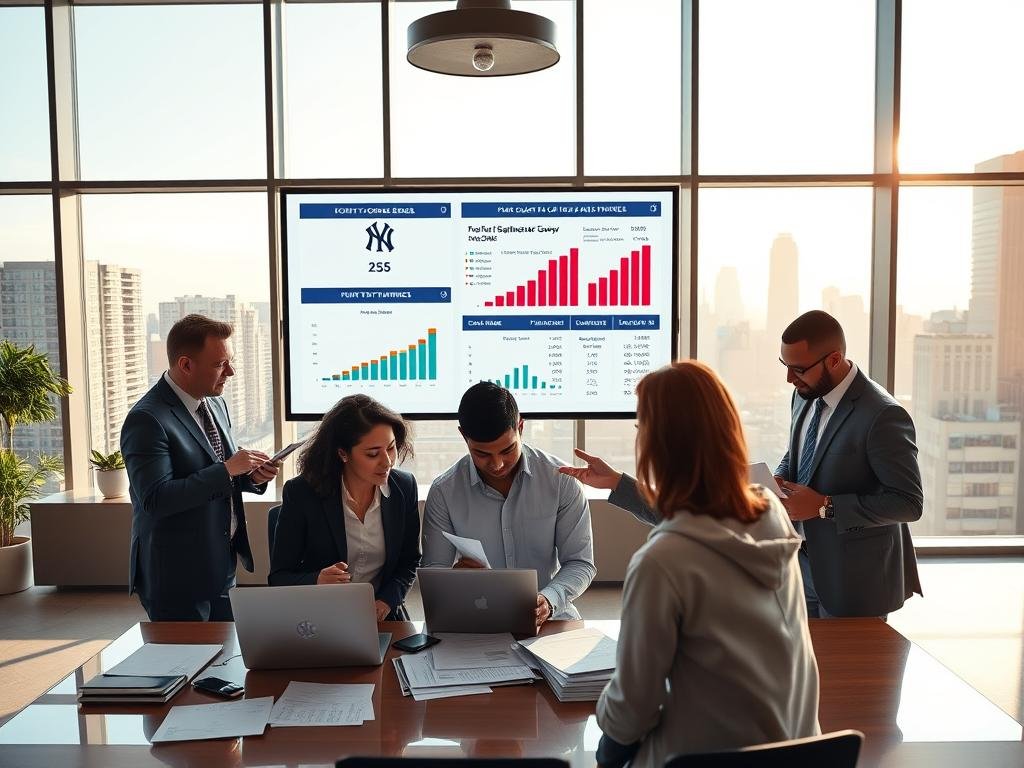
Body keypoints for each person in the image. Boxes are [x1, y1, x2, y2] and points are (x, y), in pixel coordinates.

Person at [595, 361, 820, 768]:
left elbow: (632, 709)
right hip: (798, 752)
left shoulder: (661, 562)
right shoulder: (770, 512)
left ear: (657, 445)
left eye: (639, 427)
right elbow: (697, 514)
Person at [122, 314, 278, 621]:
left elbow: (220, 471)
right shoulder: (147, 420)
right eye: (220, 364)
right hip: (175, 576)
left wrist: (252, 477)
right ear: (186, 365)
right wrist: (227, 470)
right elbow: (156, 499)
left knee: (226, 660)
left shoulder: (215, 403)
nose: (230, 372)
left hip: (221, 563)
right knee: (185, 663)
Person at [774, 310, 923, 618]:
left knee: (851, 667)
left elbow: (908, 504)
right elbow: (798, 452)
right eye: (785, 366)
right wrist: (779, 478)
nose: (790, 379)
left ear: (834, 360)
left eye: (798, 369)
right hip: (801, 565)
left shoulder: (882, 415)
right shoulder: (804, 394)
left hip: (855, 579)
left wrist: (824, 507)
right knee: (809, 666)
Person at [421, 382, 595, 626]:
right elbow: (434, 573)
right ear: (463, 436)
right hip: (475, 619)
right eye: (482, 454)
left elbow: (580, 563)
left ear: (520, 427)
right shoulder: (444, 492)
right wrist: (456, 579)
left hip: (549, 618)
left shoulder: (561, 482)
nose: (497, 464)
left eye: (507, 449)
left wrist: (549, 598)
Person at [269, 395, 420, 621]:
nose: (387, 462)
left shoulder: (403, 488)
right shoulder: (302, 493)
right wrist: (317, 580)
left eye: (390, 448)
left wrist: (387, 601)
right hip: (320, 617)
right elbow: (279, 578)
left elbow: (409, 562)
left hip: (380, 615)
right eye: (372, 454)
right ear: (343, 454)